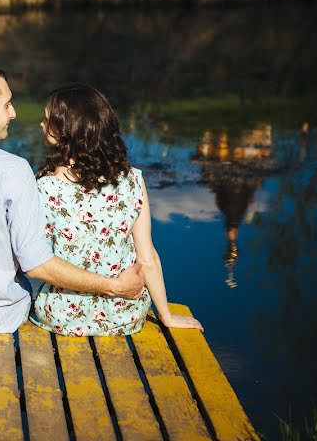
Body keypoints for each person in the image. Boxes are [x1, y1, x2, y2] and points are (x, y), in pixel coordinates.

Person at [0, 64, 145, 334]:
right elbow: (36, 264)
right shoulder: (13, 169)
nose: (13, 113)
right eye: (6, 104)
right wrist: (115, 286)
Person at [30, 83, 203, 336]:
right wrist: (165, 314)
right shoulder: (131, 180)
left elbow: (40, 261)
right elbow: (147, 258)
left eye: (47, 121)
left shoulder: (43, 188)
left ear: (64, 132)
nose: (41, 125)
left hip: (62, 317)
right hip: (124, 315)